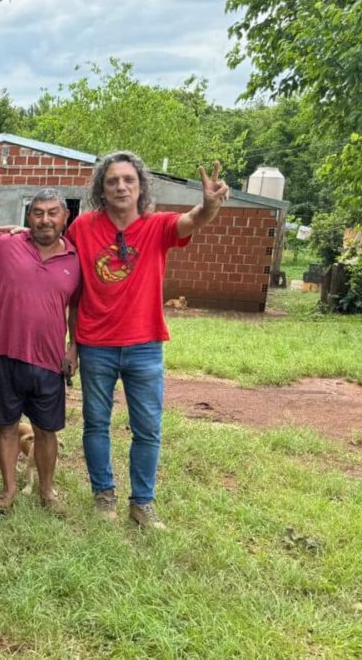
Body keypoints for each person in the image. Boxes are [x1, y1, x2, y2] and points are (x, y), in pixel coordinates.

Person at [67, 152, 228, 529]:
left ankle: (142, 502)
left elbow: (194, 220)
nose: (121, 186)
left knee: (148, 428)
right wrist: (72, 343)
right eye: (112, 181)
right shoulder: (83, 228)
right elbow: (67, 279)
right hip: (95, 343)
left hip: (144, 344)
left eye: (128, 180)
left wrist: (208, 204)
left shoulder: (158, 226)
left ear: (140, 188)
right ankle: (103, 496)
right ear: (101, 191)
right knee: (95, 423)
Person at [0, 189, 80, 514]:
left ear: (65, 217)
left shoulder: (76, 259)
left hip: (49, 358)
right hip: (3, 351)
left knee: (47, 429)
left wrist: (74, 348)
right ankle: (8, 491)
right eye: (37, 212)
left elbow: (77, 307)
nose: (44, 219)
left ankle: (47, 491)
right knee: (5, 425)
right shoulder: (6, 245)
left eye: (52, 212)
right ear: (28, 217)